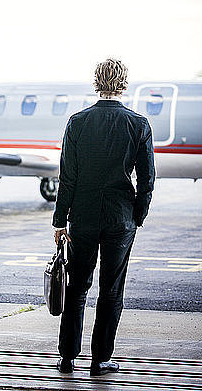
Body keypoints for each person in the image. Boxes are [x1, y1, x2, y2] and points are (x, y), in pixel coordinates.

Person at [52, 57, 155, 377]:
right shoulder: (138, 124)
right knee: (111, 290)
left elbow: (67, 177)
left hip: (82, 217)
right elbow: (147, 179)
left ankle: (67, 357)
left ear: (97, 81)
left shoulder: (77, 122)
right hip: (119, 218)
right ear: (124, 83)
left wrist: (59, 221)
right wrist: (137, 215)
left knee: (77, 286)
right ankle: (101, 361)